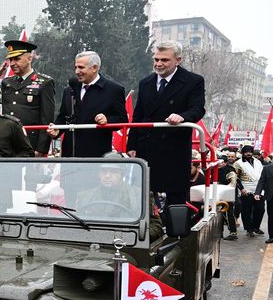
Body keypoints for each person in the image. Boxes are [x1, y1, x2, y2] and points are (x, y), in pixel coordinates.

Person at [126, 40, 206, 205]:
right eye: (156, 59)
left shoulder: (193, 81)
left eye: (164, 60)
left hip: (174, 148)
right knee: (141, 196)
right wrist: (132, 145)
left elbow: (198, 109)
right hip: (146, 147)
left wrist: (182, 116)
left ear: (178, 60)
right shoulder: (145, 83)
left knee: (175, 199)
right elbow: (138, 116)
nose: (159, 64)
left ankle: (175, 222)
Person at [49, 51, 128, 157]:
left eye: (81, 67)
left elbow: (122, 119)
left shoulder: (113, 90)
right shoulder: (69, 90)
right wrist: (57, 129)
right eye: (76, 67)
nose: (77, 71)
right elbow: (63, 117)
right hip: (70, 153)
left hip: (96, 153)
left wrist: (107, 120)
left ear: (94, 68)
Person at [0, 39, 56, 155]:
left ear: (29, 59)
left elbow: (47, 119)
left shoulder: (44, 82)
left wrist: (41, 149)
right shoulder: (7, 82)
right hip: (7, 142)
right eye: (10, 59)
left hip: (30, 143)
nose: (12, 63)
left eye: (17, 59)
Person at [234, 145, 265, 237]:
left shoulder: (258, 162)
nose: (248, 153)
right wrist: (242, 189)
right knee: (246, 211)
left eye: (250, 152)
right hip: (246, 190)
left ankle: (256, 227)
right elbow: (236, 178)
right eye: (246, 152)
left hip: (259, 189)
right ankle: (249, 229)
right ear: (243, 153)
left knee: (260, 209)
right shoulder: (238, 163)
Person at [217, 153, 240, 240]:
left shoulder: (230, 170)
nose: (219, 163)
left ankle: (233, 232)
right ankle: (219, 232)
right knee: (219, 213)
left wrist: (222, 188)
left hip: (228, 195)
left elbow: (233, 183)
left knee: (229, 213)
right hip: (217, 195)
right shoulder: (214, 169)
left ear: (225, 163)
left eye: (221, 162)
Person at [252, 157, 273, 243]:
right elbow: (261, 181)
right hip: (271, 197)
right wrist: (257, 193)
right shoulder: (267, 168)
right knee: (271, 217)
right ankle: (271, 236)